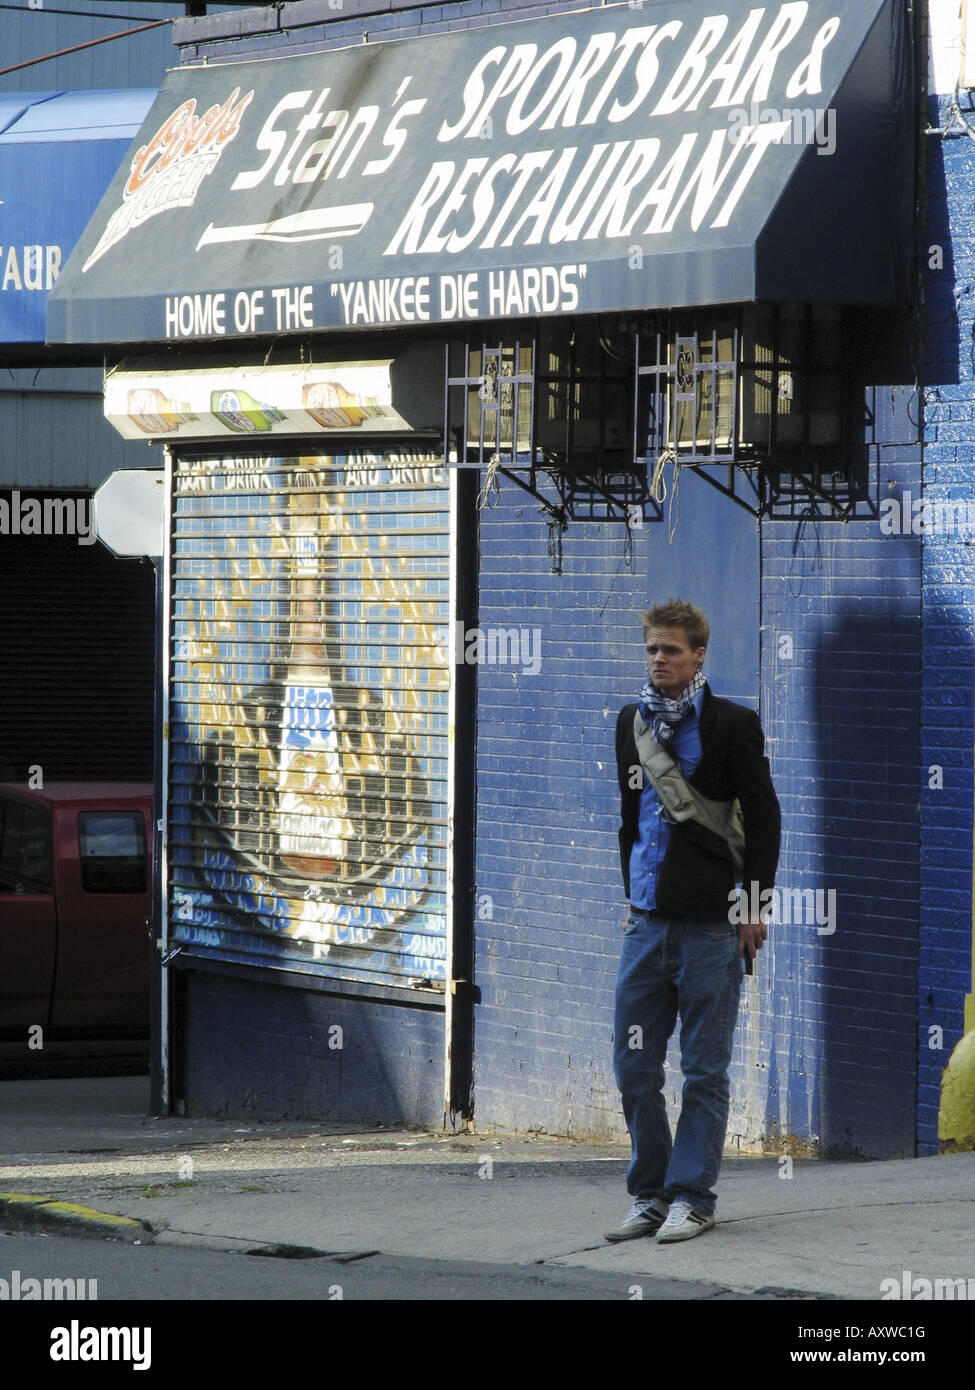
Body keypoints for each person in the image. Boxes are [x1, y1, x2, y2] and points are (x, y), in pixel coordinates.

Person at [606, 598, 780, 1244]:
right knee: (634, 1069)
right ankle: (648, 1193)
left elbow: (763, 819)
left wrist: (753, 905)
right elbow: (631, 819)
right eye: (652, 648)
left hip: (711, 926)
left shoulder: (732, 724)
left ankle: (692, 1196)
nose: (659, 659)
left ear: (697, 654)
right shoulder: (630, 723)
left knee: (703, 1070)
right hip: (646, 925)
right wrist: (633, 893)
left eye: (671, 650)